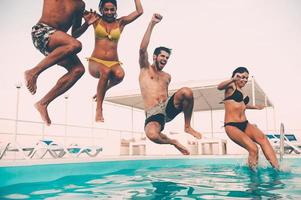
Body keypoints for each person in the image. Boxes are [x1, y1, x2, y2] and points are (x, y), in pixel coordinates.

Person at [24, 0, 97, 126]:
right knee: (75, 45)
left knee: (78, 70)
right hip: (41, 31)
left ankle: (43, 103)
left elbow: (75, 33)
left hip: (57, 42)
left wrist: (87, 23)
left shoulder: (80, 5)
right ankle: (33, 72)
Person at [139, 14, 202, 155]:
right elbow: (142, 49)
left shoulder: (167, 76)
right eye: (162, 56)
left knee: (187, 91)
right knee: (152, 135)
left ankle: (187, 126)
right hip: (153, 113)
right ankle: (173, 142)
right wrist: (152, 24)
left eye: (167, 58)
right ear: (155, 56)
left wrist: (176, 104)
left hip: (167, 108)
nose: (165, 59)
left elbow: (166, 94)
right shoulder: (145, 69)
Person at [87, 0, 143, 122]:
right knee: (105, 71)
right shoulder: (96, 19)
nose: (109, 12)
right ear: (101, 10)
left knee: (120, 75)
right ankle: (98, 110)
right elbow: (77, 8)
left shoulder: (120, 22)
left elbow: (139, 11)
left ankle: (102, 90)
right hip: (96, 61)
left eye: (112, 9)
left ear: (116, 10)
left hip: (114, 62)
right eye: (106, 9)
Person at [217, 67, 279, 170]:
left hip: (245, 124)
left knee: (263, 139)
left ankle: (277, 169)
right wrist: (233, 79)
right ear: (235, 76)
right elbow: (219, 87)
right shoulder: (231, 87)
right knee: (253, 149)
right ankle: (253, 176)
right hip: (232, 126)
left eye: (246, 78)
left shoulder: (241, 91)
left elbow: (242, 104)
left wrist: (255, 107)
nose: (245, 80)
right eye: (242, 77)